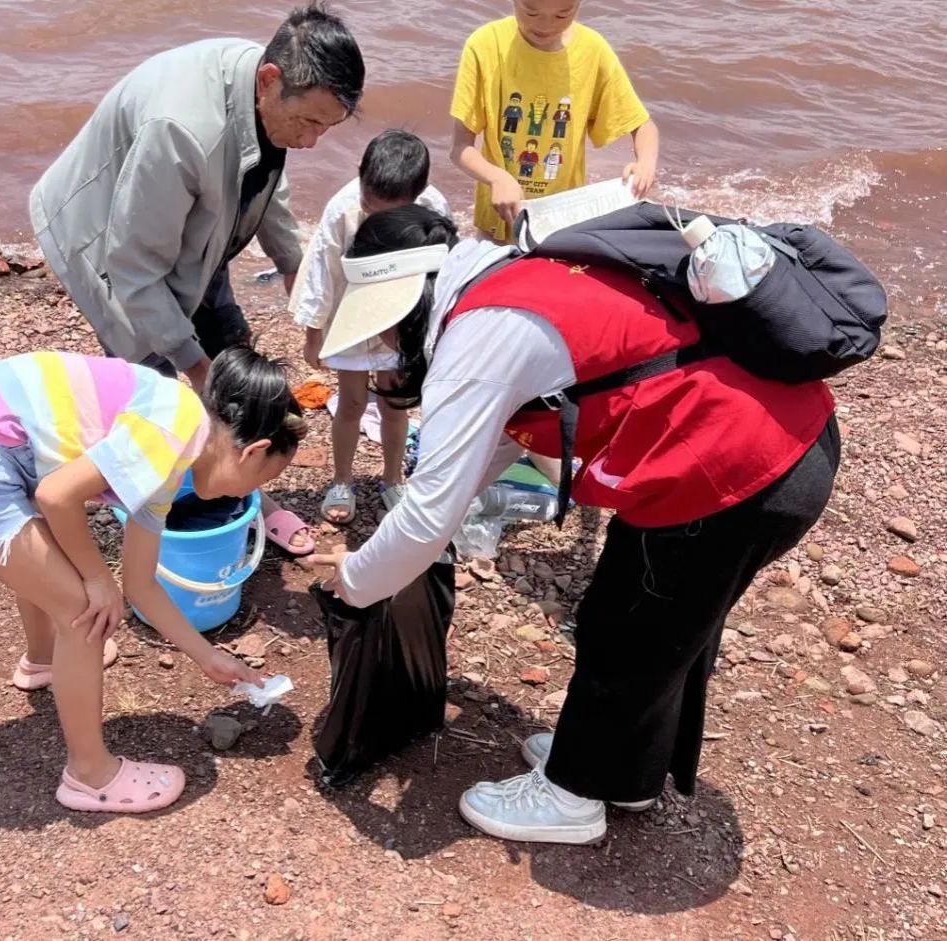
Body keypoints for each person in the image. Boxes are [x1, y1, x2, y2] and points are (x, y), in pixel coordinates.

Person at [307, 205, 839, 845]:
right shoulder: (513, 282)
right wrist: (418, 535)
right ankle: (625, 773)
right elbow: (474, 464)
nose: (391, 348)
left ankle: (572, 797)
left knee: (631, 632)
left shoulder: (481, 336)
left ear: (414, 299)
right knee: (650, 620)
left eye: (390, 328)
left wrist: (355, 582)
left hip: (735, 465)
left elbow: (427, 515)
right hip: (768, 446)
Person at [0, 347, 307, 813]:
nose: (251, 492)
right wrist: (97, 578)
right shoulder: (172, 430)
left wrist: (208, 657)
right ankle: (90, 775)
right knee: (84, 610)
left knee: (57, 571)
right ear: (253, 451)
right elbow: (57, 496)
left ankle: (43, 662)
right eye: (263, 478)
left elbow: (141, 586)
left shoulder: (176, 452)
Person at [30, 2, 365, 554]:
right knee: (159, 383)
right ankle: (144, 502)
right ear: (269, 81)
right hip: (103, 235)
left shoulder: (268, 92)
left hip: (191, 227)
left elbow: (264, 179)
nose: (311, 142)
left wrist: (292, 264)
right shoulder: (182, 130)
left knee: (231, 352)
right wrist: (193, 364)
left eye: (325, 128)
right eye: (308, 123)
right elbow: (134, 269)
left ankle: (241, 485)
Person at [289, 129, 450, 523]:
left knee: (395, 405)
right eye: (370, 206)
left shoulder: (433, 206)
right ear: (360, 172)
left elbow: (441, 270)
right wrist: (314, 335)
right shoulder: (341, 209)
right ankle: (341, 480)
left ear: (418, 192)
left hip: (400, 320)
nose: (380, 221)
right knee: (352, 403)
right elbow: (322, 274)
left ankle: (392, 479)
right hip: (352, 315)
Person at [449, 0, 660, 243]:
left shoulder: (593, 51)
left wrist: (645, 164)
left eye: (562, 15)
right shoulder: (485, 45)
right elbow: (460, 148)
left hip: (561, 219)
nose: (545, 25)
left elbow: (643, 126)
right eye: (531, 12)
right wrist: (497, 178)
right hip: (497, 220)